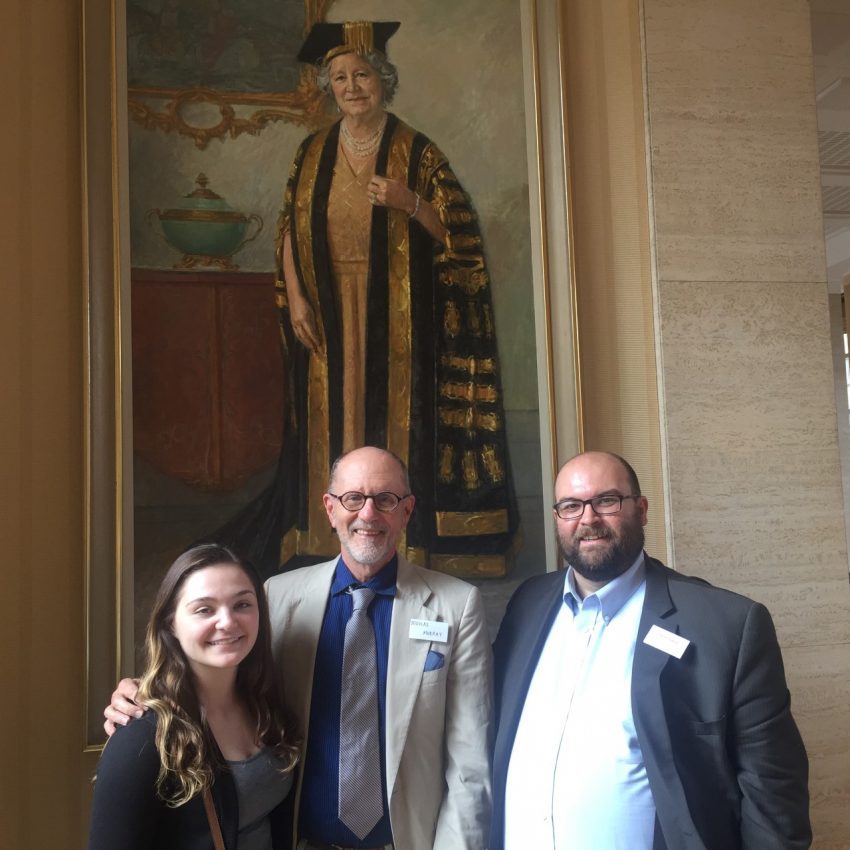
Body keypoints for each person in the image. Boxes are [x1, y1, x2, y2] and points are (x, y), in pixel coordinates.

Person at [219, 20, 518, 579]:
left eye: (362, 75)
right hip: (329, 312)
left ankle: (398, 544)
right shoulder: (311, 154)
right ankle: (326, 536)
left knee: (391, 420)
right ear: (328, 86)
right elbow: (287, 232)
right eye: (339, 77)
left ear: (383, 81)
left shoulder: (417, 152)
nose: (351, 86)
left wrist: (410, 202)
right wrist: (300, 301)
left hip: (400, 317)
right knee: (331, 418)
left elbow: (461, 236)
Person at [107, 447, 493, 850]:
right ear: (330, 509)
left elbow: (469, 764)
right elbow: (224, 681)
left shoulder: (456, 605)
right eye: (353, 499)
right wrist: (147, 694)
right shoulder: (279, 597)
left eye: (386, 499)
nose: (368, 514)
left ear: (407, 510)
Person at [490, 451, 811, 850]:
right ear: (557, 518)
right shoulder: (526, 605)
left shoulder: (726, 624)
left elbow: (774, 796)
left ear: (641, 510)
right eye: (571, 506)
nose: (588, 519)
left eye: (606, 501)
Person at [90, 544, 299, 850]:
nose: (227, 622)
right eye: (204, 609)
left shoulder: (267, 706)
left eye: (242, 604)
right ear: (170, 624)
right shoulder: (141, 736)